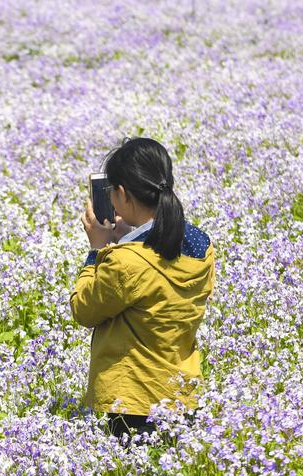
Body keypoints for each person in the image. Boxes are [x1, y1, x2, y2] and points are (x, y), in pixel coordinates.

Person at [69, 137, 215, 442]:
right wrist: (129, 235)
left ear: (121, 194)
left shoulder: (126, 261)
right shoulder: (201, 244)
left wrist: (97, 250)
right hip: (182, 396)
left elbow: (84, 309)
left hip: (134, 405)